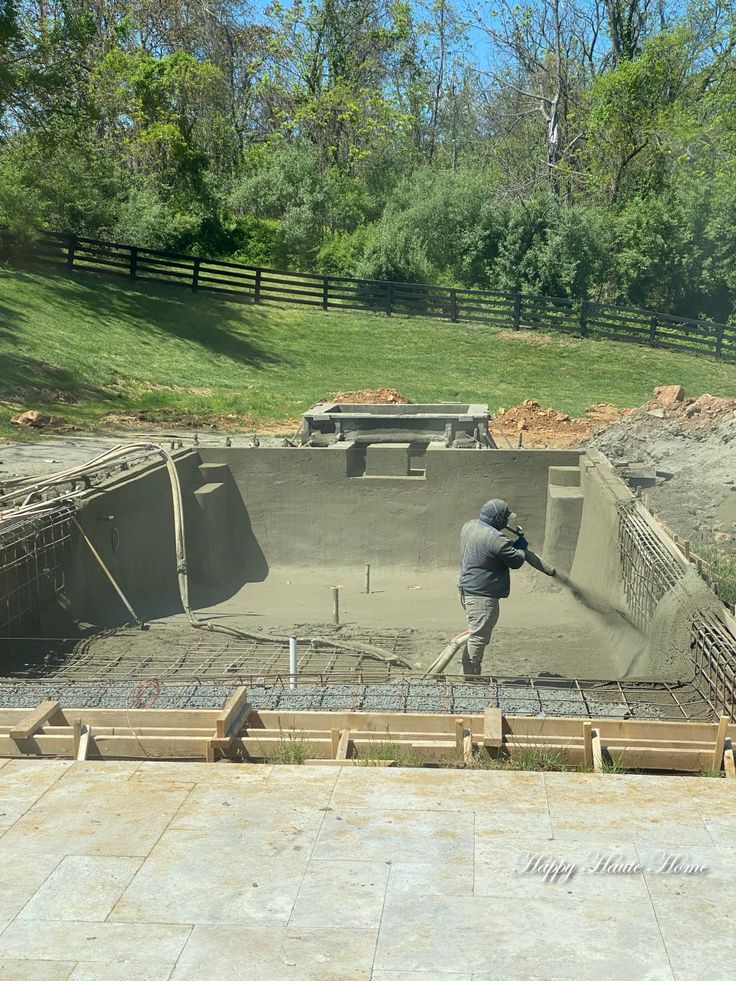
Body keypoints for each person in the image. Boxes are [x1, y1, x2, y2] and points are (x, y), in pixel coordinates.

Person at [458, 499, 528, 677]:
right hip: (481, 595)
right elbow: (516, 561)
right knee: (479, 637)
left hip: (467, 589)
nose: (506, 522)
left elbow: (492, 548)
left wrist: (508, 544)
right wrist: (520, 548)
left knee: (476, 633)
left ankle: (468, 674)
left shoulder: (470, 526)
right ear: (496, 518)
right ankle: (469, 678)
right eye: (505, 518)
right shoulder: (496, 538)